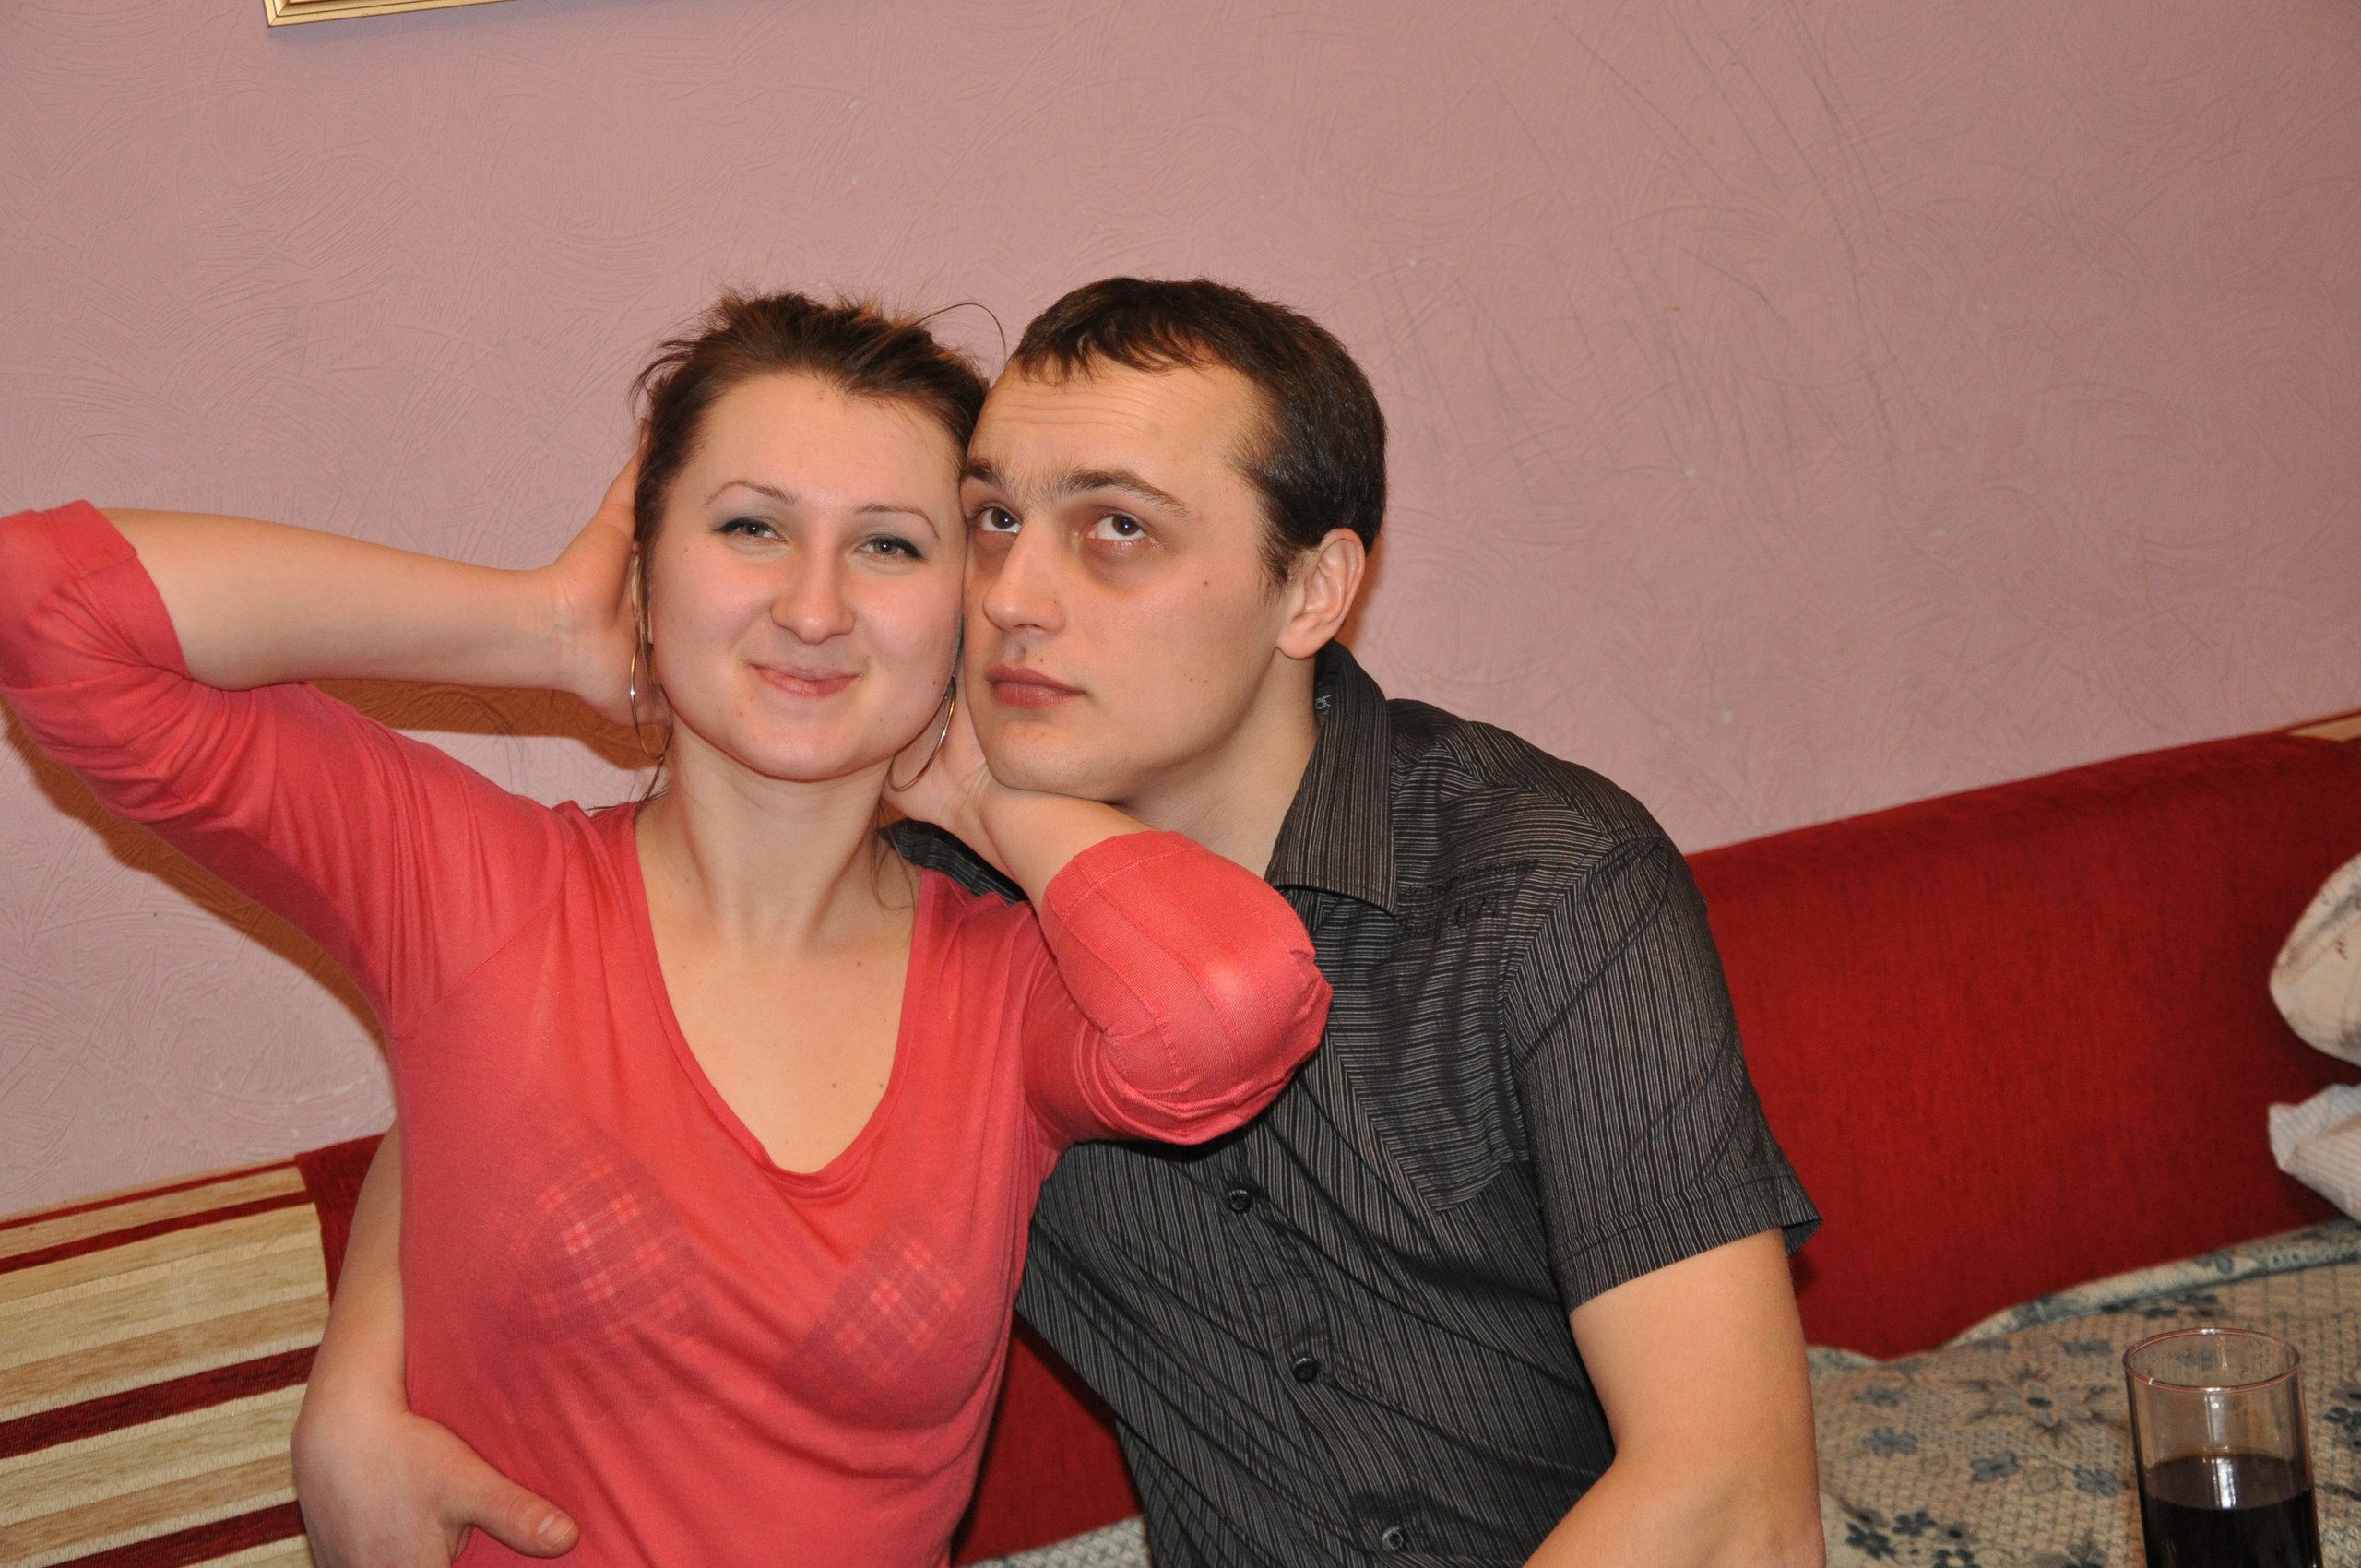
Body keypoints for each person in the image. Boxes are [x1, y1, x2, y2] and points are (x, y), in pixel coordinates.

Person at [302, 279, 1827, 1568]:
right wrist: (361, 1377)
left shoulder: (1541, 884)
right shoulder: (949, 905)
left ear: (1313, 592)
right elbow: (539, 1025)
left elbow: (1728, 1502)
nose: (1015, 595)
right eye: (991, 520)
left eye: (1117, 530)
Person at [0, 291, 1331, 1568]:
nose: (814, 607)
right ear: (650, 564)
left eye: (890, 546)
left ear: (963, 608)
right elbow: (51, 607)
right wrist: (548, 628)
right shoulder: (471, 890)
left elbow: (1233, 1005)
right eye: (752, 527)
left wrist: (982, 789)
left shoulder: (1004, 986)